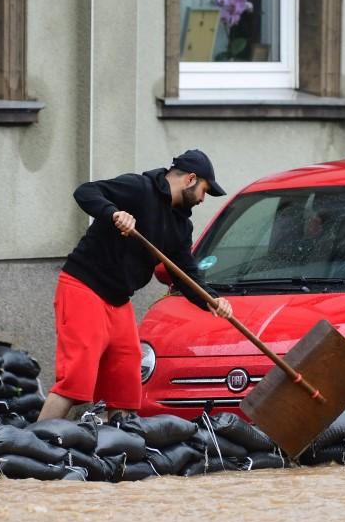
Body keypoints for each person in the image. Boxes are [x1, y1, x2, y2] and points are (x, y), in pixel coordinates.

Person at [38, 149, 235, 422]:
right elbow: (86, 191)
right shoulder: (139, 188)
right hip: (84, 287)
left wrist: (212, 300)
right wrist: (113, 213)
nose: (203, 199)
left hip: (118, 300)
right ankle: (34, 452)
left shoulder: (180, 226)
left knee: (126, 383)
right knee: (75, 381)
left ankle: (117, 452)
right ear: (190, 179)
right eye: (204, 190)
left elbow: (186, 274)